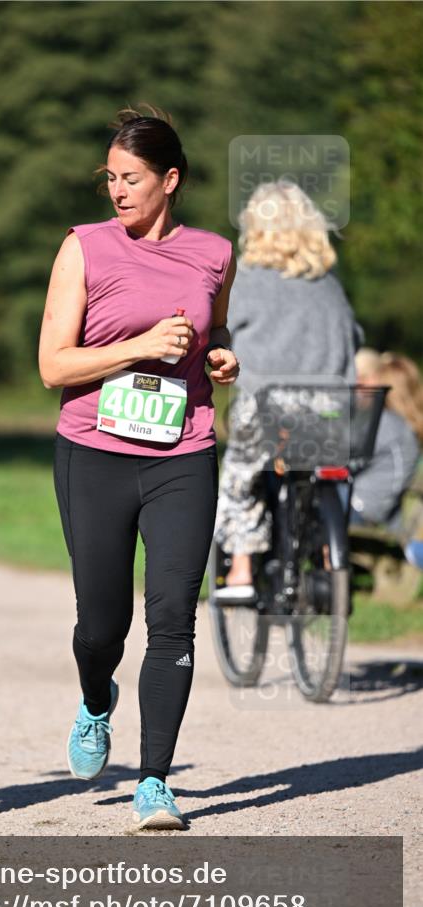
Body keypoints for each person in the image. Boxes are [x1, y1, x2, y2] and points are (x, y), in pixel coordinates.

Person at [38, 108, 238, 830]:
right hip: (93, 451)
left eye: (131, 178)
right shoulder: (84, 248)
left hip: (183, 453)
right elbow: (51, 364)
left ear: (169, 180)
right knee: (101, 624)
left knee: (172, 621)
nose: (117, 191)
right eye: (110, 179)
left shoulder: (214, 253)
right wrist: (139, 346)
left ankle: (153, 782)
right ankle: (96, 702)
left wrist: (219, 354)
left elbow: (214, 328)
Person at [214, 180, 362, 602]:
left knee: (241, 476)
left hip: (269, 410)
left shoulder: (247, 281)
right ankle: (326, 557)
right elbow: (352, 339)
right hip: (331, 412)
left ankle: (241, 566)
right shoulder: (329, 286)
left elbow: (222, 337)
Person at [351, 350, 422, 562]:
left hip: (361, 507)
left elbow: (348, 460)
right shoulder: (407, 427)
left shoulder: (387, 424)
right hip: (381, 511)